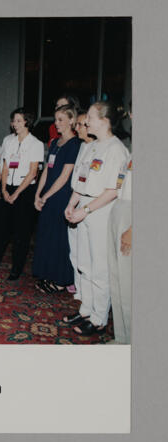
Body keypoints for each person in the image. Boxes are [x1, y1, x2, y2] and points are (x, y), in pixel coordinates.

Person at [63, 101, 129, 336]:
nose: (86, 121)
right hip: (84, 206)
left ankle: (99, 318)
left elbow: (112, 190)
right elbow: (80, 181)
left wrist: (86, 210)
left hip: (100, 211)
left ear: (104, 121)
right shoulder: (91, 147)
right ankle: (86, 309)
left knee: (99, 268)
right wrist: (72, 204)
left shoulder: (116, 149)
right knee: (84, 264)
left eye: (90, 117)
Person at [0, 108, 44, 280]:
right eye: (14, 121)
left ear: (27, 122)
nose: (15, 124)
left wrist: (17, 193)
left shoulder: (36, 144)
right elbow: (5, 167)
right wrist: (3, 188)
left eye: (19, 121)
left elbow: (33, 172)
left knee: (21, 233)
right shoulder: (8, 140)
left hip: (25, 190)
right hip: (8, 188)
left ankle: (16, 269)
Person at [32, 105, 81, 293]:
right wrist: (38, 193)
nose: (57, 123)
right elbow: (47, 170)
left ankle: (61, 279)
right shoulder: (54, 143)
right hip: (48, 195)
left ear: (71, 120)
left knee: (59, 239)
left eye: (61, 119)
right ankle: (47, 274)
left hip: (60, 196)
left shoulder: (75, 144)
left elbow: (64, 176)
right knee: (46, 237)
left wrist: (46, 195)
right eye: (56, 119)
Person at [107, 109, 132, 344]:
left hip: (131, 219)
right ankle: (122, 338)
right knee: (117, 281)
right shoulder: (133, 150)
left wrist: (133, 230)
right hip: (119, 211)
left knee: (129, 284)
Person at [67, 111, 96, 300]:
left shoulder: (98, 148)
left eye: (80, 125)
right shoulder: (83, 147)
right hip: (76, 199)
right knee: (75, 252)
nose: (76, 128)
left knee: (89, 257)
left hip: (89, 203)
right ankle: (79, 290)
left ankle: (89, 297)